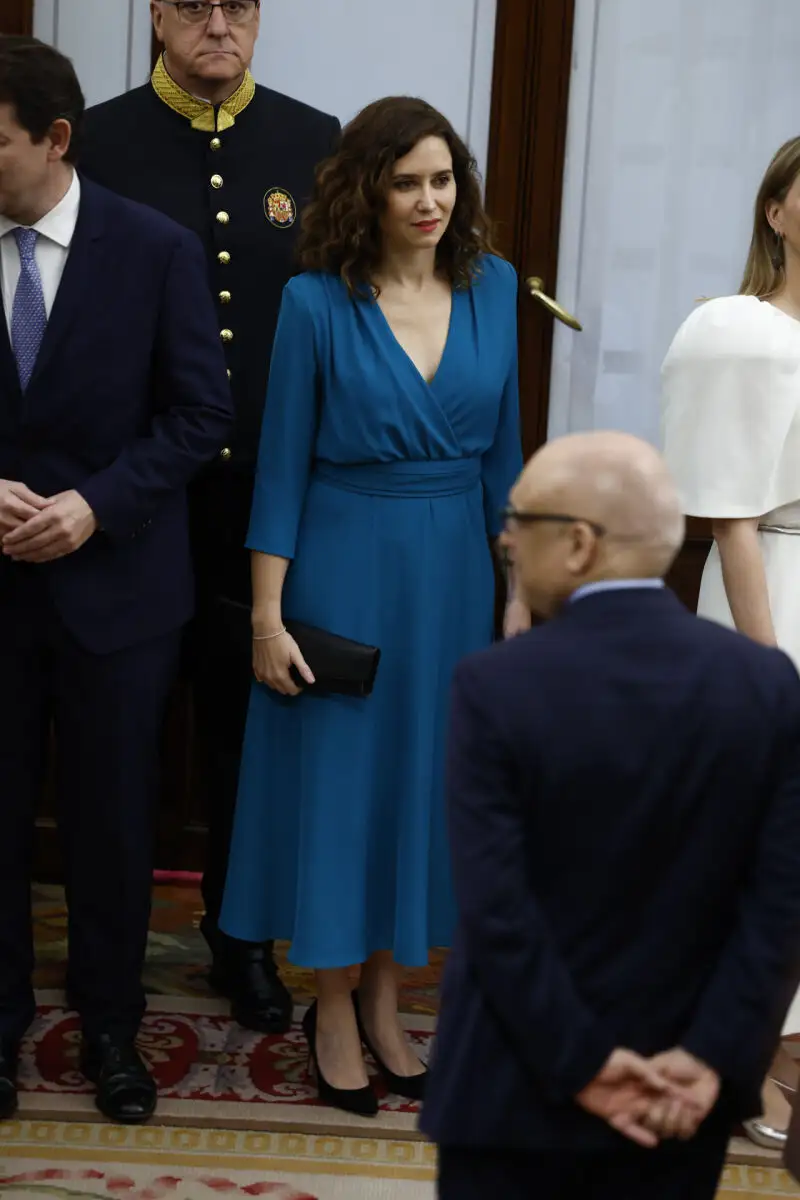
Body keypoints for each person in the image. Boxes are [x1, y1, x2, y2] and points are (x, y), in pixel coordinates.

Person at [218, 96, 527, 1115]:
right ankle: (335, 1006)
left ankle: (393, 1000)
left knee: (422, 792)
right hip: (340, 568)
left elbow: (504, 469)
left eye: (443, 180)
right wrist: (267, 618)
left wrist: (517, 605)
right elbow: (279, 473)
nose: (430, 200)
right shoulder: (315, 302)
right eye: (408, 182)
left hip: (453, 580)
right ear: (368, 190)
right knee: (342, 793)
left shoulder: (491, 293)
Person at [421, 431, 800, 1199]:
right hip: (679, 1101)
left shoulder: (498, 685)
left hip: (514, 1089)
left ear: (579, 544)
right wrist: (712, 1057)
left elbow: (498, 912)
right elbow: (781, 904)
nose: (505, 538)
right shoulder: (764, 684)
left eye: (518, 521)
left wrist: (582, 1062)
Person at [78, 0, 341, 1034]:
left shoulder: (312, 143)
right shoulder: (95, 141)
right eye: (195, 6)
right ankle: (115, 945)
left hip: (261, 498)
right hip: (135, 495)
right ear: (156, 15)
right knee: (125, 729)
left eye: (237, 6)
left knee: (247, 728)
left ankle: (240, 940)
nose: (218, 26)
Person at [0, 36, 232, 1124]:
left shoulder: (156, 249)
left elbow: (199, 417)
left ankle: (107, 1029)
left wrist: (94, 505)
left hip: (122, 596)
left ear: (54, 139)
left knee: (112, 828)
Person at [661, 135, 800, 1148]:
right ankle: (752, 1058)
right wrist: (767, 670)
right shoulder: (739, 332)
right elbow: (729, 518)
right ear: (775, 212)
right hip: (776, 588)